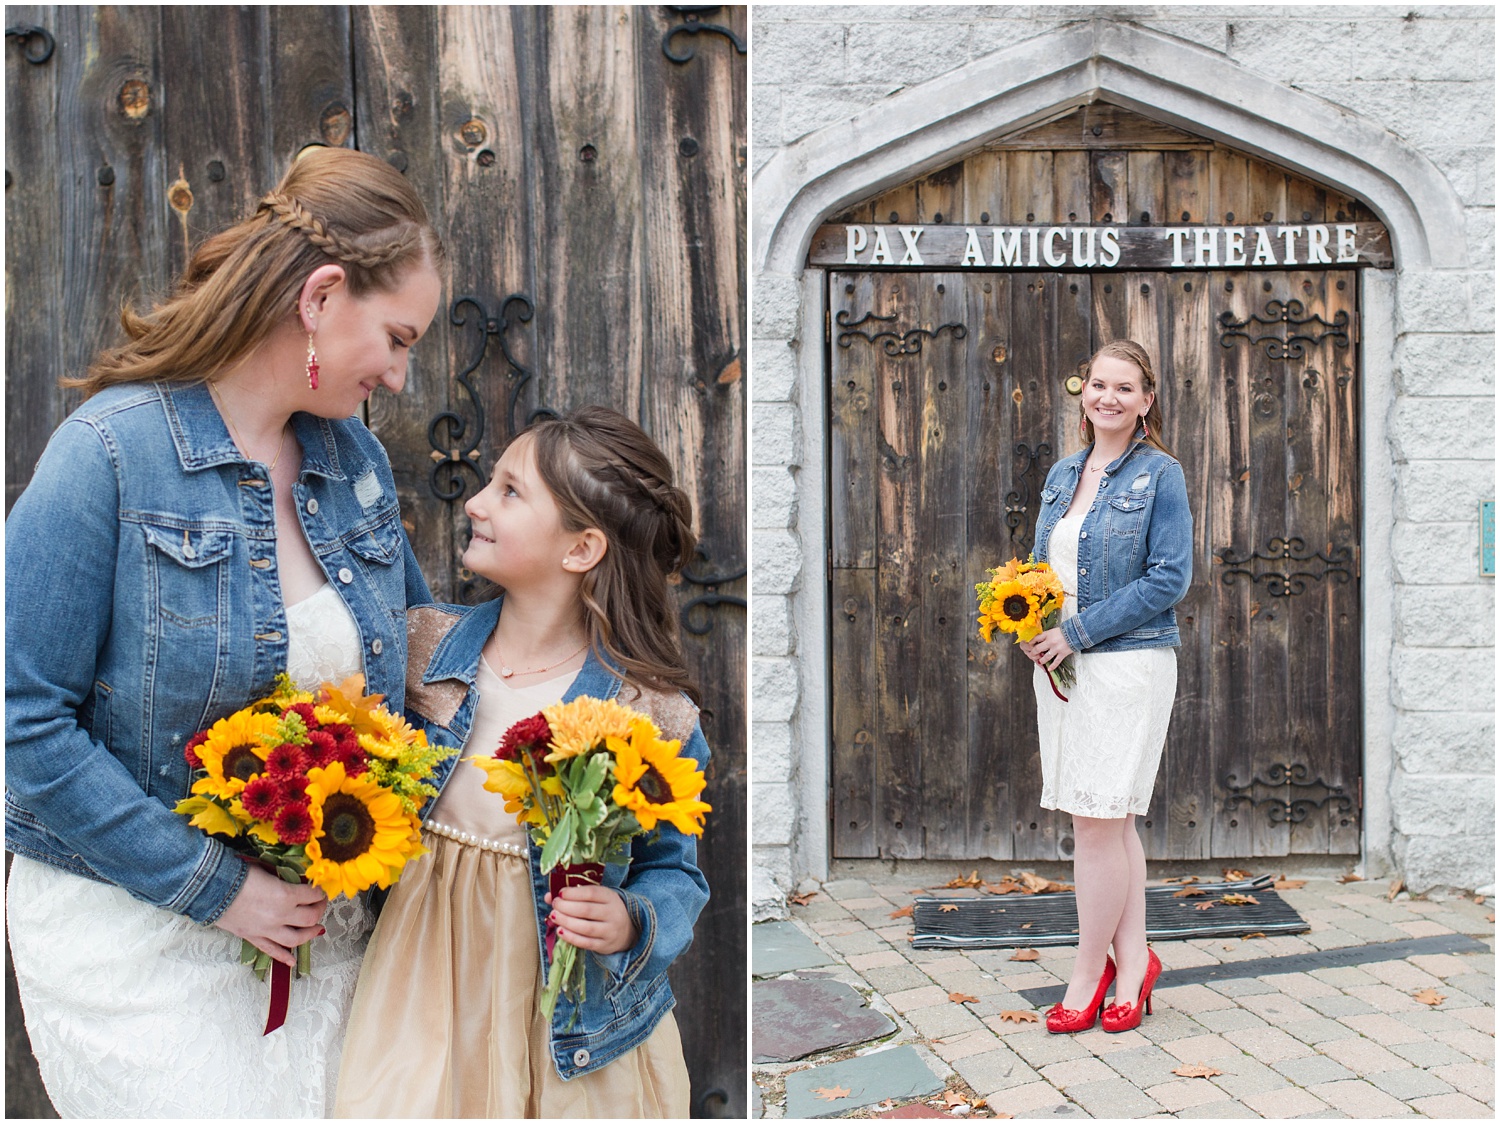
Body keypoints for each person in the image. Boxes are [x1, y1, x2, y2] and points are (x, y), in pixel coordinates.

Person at [5, 146, 444, 1116]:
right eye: (400, 337)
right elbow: (24, 726)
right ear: (323, 296)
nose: (404, 376)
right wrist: (220, 887)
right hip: (139, 936)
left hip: (329, 936)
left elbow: (423, 656)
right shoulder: (108, 458)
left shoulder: (352, 459)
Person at [333, 406, 709, 1118]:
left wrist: (632, 920)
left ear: (580, 550)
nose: (475, 502)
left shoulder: (648, 715)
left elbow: (675, 870)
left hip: (566, 1013)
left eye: (510, 491)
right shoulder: (423, 655)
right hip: (424, 983)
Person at [1019, 339, 1193, 1034]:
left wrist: (1078, 632)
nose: (1109, 398)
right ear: (1082, 391)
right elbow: (1038, 566)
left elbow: (1168, 578)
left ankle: (1087, 973)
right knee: (1107, 822)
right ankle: (1136, 961)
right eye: (1098, 384)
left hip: (1127, 666)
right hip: (1061, 666)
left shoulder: (1162, 477)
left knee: (1094, 824)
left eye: (1125, 388)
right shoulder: (1063, 473)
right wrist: (1029, 618)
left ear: (1147, 401)